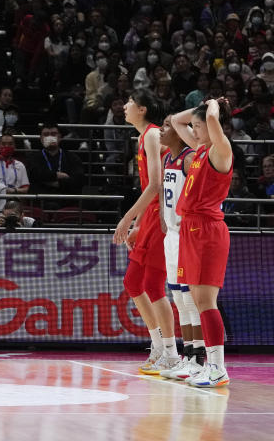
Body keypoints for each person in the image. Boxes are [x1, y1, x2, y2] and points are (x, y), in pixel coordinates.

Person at [113, 89, 179, 376]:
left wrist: (126, 219)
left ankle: (171, 352)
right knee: (133, 282)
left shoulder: (152, 134)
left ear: (142, 108)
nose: (125, 105)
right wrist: (138, 223)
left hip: (162, 215)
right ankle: (158, 346)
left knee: (153, 285)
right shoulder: (142, 137)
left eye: (129, 101)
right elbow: (147, 189)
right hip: (150, 216)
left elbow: (154, 185)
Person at [170, 99, 234, 388]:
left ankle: (218, 367)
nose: (193, 132)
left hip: (208, 231)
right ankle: (207, 364)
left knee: (206, 302)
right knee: (195, 301)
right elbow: (176, 121)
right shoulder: (200, 151)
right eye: (193, 128)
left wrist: (213, 106)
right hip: (190, 229)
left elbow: (210, 120)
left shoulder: (221, 150)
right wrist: (200, 105)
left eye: (199, 127)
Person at [156, 115, 205, 382]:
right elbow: (166, 194)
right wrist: (165, 222)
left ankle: (198, 358)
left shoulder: (189, 158)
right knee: (177, 297)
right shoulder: (167, 159)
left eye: (165, 127)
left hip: (187, 234)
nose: (161, 131)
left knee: (189, 297)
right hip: (171, 235)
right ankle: (187, 357)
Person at [27, 124, 85, 196]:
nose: (50, 137)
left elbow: (78, 179)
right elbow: (34, 175)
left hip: (66, 198)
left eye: (53, 134)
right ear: (41, 139)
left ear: (60, 137)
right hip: (42, 199)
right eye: (46, 134)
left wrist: (56, 183)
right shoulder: (33, 157)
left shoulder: (72, 157)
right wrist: (57, 175)